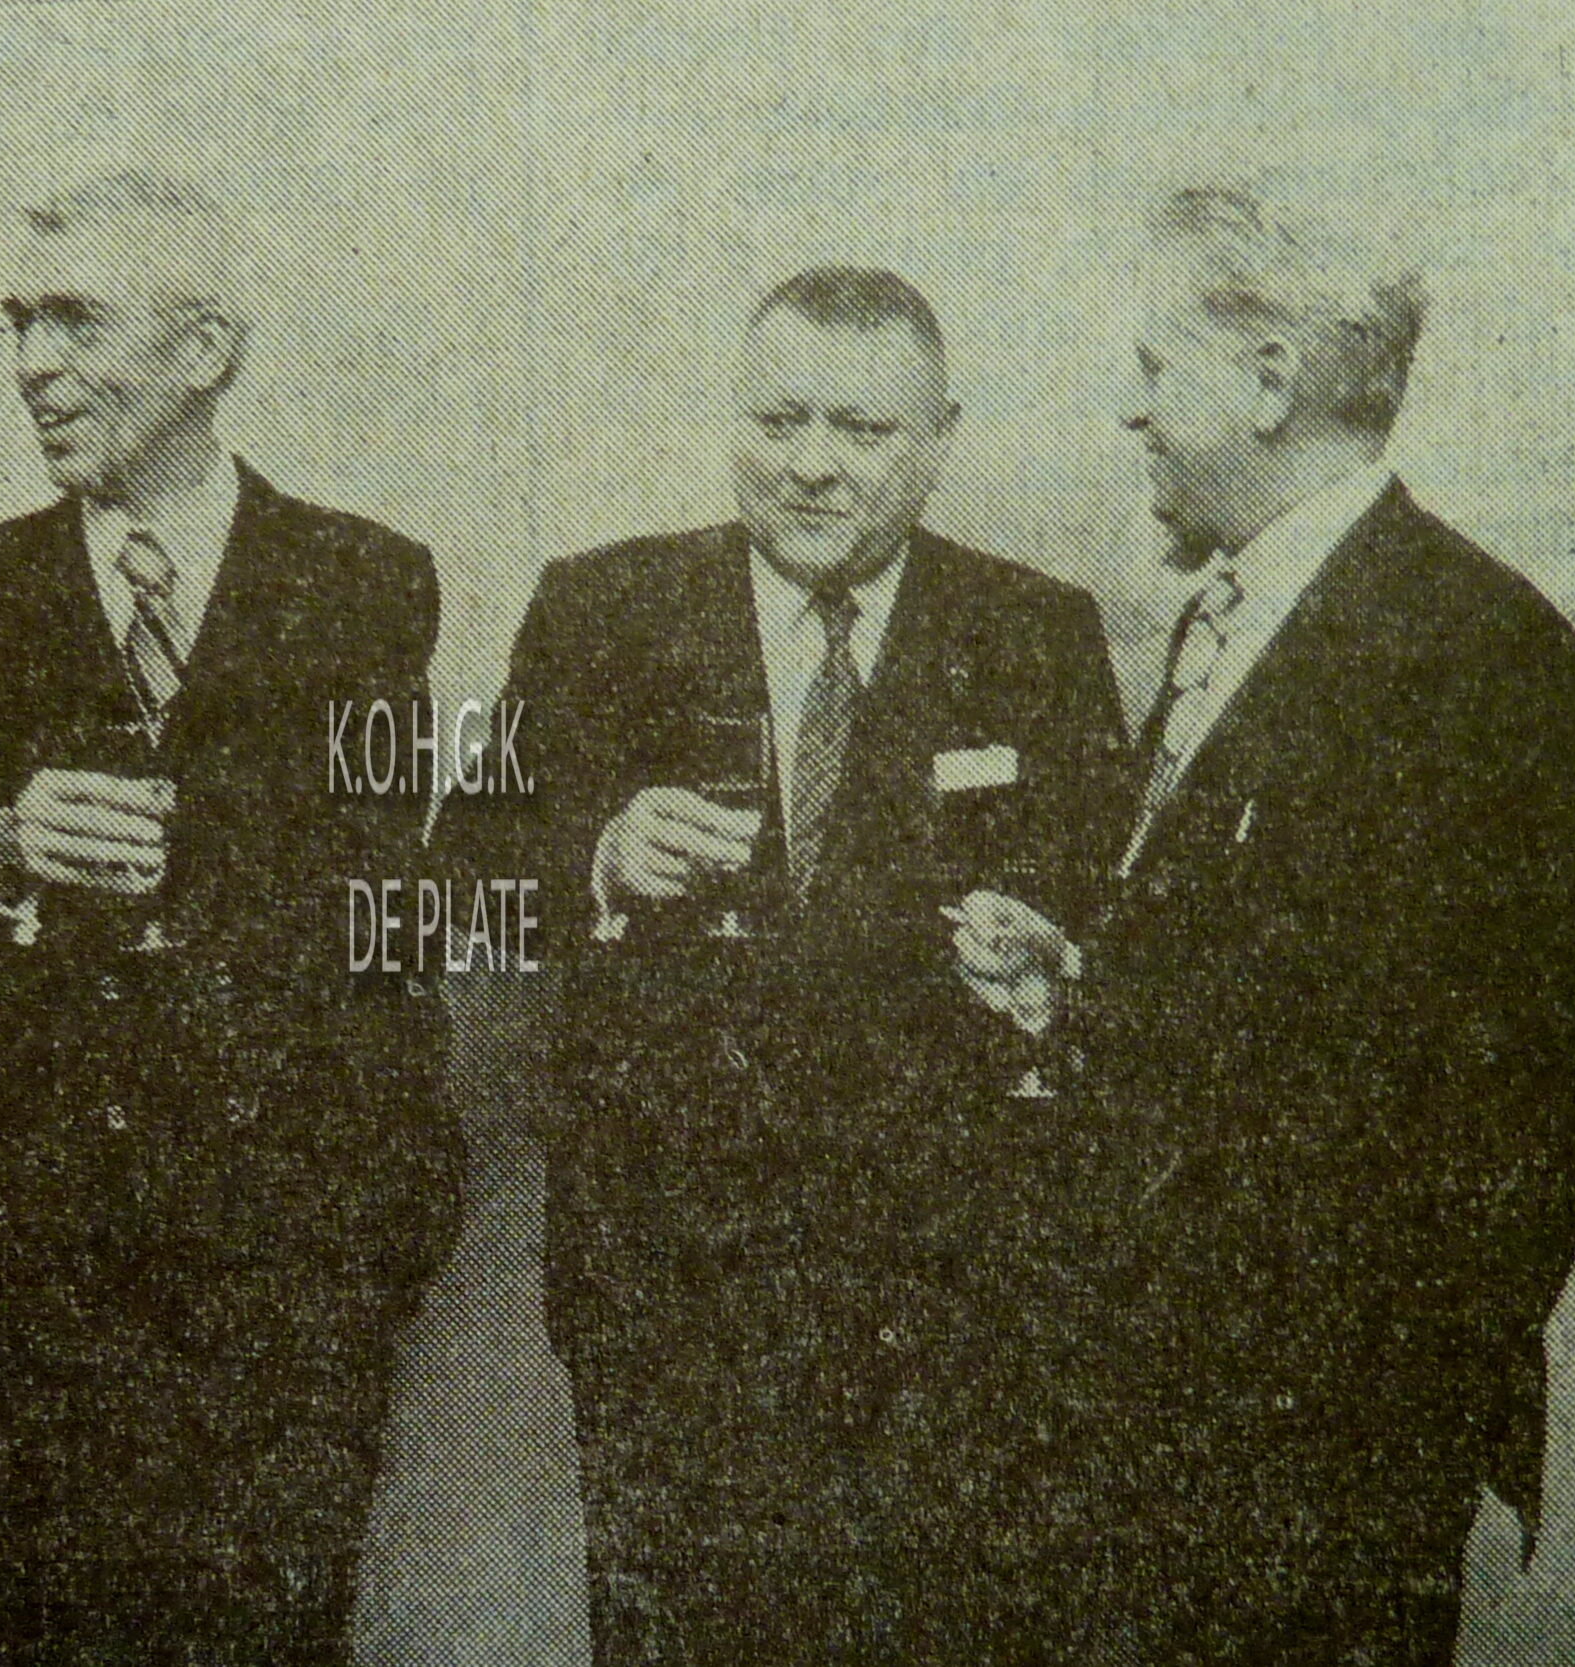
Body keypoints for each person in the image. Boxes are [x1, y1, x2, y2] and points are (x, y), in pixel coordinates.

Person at [950, 182, 1575, 1662]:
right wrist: (1078, 988)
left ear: (1269, 382)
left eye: (1153, 368)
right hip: (1165, 1453)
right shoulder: (1238, 614)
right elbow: (1288, 999)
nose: (1131, 412)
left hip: (1307, 1485)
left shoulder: (1482, 657)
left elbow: (1536, 1111)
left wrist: (1365, 1448)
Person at [439, 264, 1127, 1663]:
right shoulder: (599, 608)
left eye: (863, 430)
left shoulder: (1036, 632)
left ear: (939, 439)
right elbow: (454, 891)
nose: (813, 464)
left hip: (949, 1310)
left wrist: (1048, 957)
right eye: (779, 419)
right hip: (668, 1293)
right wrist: (598, 861)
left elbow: (1108, 928)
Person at [0, 171, 462, 1666]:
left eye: (75, 320)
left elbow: (391, 903)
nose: (33, 364)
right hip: (43, 1265)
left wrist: (381, 1216)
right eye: (19, 323)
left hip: (296, 1262)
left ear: (204, 350)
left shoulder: (368, 580)